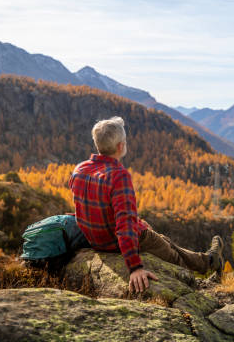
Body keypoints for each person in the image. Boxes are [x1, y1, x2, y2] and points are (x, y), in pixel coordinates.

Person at [68, 116, 224, 293]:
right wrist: (135, 267)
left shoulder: (80, 169)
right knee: (170, 255)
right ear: (121, 146)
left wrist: (136, 222)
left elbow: (86, 205)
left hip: (96, 240)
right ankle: (201, 283)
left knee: (163, 241)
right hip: (116, 243)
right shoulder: (119, 175)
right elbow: (125, 227)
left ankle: (209, 260)